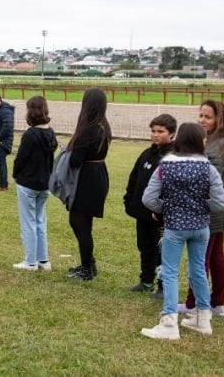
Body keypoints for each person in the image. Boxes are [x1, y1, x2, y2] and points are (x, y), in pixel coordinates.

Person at [140, 122, 224, 340]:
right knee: (198, 269)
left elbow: (148, 198)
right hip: (201, 228)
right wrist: (201, 207)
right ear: (200, 142)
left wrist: (167, 208)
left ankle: (169, 322)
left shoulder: (165, 167)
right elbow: (221, 203)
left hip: (175, 228)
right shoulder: (208, 169)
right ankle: (203, 318)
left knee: (169, 272)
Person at [179, 100, 224, 317]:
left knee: (200, 258)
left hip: (212, 211)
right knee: (216, 256)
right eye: (200, 115)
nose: (202, 120)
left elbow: (207, 184)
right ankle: (217, 303)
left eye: (207, 117)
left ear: (219, 119)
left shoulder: (216, 147)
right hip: (223, 211)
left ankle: (194, 304)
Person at [123, 113, 177, 298]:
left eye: (160, 131)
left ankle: (163, 285)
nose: (155, 134)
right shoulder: (146, 154)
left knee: (162, 251)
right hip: (142, 214)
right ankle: (146, 281)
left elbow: (173, 189)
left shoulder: (173, 157)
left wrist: (161, 212)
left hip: (159, 216)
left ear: (172, 134)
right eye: (153, 131)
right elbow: (134, 179)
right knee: (144, 247)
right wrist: (130, 201)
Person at [65, 88, 112, 280]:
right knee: (83, 223)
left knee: (80, 223)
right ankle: (88, 264)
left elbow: (76, 160)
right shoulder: (103, 126)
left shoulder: (88, 130)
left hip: (87, 179)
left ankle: (87, 268)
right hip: (98, 175)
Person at [12, 96, 58, 271]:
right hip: (44, 183)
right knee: (40, 221)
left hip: (29, 183)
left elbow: (21, 158)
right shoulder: (50, 132)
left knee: (29, 222)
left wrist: (16, 174)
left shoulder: (31, 134)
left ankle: (30, 261)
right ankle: (43, 260)